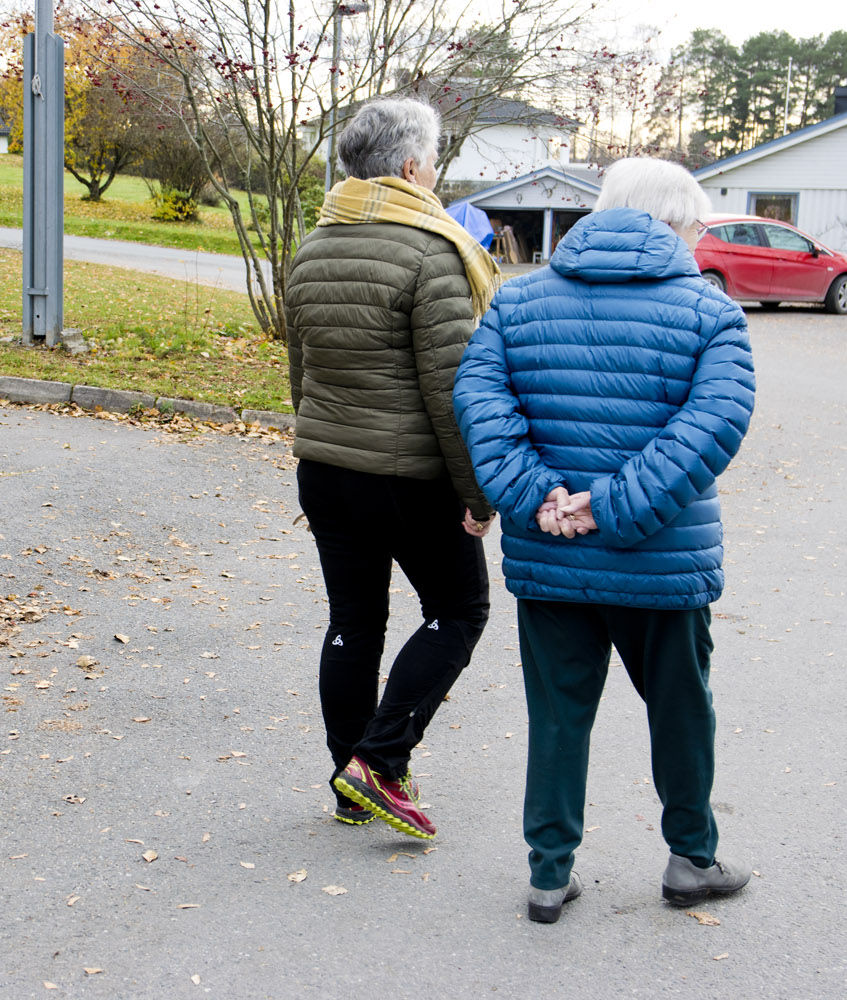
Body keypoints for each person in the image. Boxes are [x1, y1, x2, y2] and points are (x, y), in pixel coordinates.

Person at [453, 157, 757, 920]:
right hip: (662, 557)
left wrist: (541, 498)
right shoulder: (710, 312)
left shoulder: (515, 303)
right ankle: (692, 858)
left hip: (551, 554)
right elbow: (711, 427)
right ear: (673, 224)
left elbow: (480, 405)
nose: (696, 241)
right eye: (694, 228)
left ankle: (549, 874)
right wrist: (615, 506)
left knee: (557, 715)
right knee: (682, 708)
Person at [285, 97, 501, 840]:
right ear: (410, 168)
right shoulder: (430, 251)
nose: (437, 176)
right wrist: (477, 491)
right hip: (407, 477)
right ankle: (377, 761)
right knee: (459, 610)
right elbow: (450, 391)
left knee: (354, 623)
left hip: (325, 466)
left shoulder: (314, 246)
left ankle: (352, 784)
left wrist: (319, 438)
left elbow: (301, 373)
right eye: (434, 162)